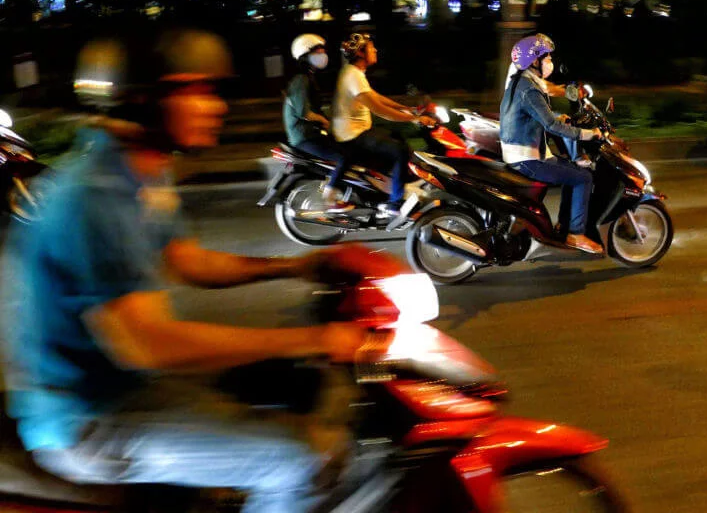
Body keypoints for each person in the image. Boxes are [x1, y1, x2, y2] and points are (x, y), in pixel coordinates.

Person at [1, 29, 382, 513]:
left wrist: (302, 266)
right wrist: (316, 340)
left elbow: (189, 261)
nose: (216, 106)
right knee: (301, 461)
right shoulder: (95, 195)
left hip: (120, 391)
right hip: (87, 421)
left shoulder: (137, 171)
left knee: (286, 392)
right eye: (196, 91)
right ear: (141, 100)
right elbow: (150, 344)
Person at [499, 34, 604, 254]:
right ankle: (576, 235)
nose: (549, 62)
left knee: (573, 171)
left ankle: (563, 226)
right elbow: (551, 127)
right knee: (584, 178)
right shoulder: (529, 89)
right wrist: (589, 133)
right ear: (534, 61)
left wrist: (559, 119)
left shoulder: (521, 82)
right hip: (528, 158)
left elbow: (540, 118)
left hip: (524, 153)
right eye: (546, 58)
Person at [332, 33, 435, 217]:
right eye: (371, 48)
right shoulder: (353, 76)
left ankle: (393, 187)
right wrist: (415, 119)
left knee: (396, 137)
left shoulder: (354, 73)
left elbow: (376, 97)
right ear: (361, 53)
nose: (375, 50)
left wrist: (406, 108)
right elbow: (379, 109)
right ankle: (395, 204)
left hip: (357, 132)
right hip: (353, 136)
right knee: (399, 150)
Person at [284, 33, 348, 207]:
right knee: (343, 157)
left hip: (310, 134)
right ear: (305, 57)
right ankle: (331, 198)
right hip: (303, 138)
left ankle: (339, 188)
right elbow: (304, 113)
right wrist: (325, 122)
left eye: (323, 51)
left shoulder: (308, 77)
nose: (322, 55)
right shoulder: (301, 80)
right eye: (317, 52)